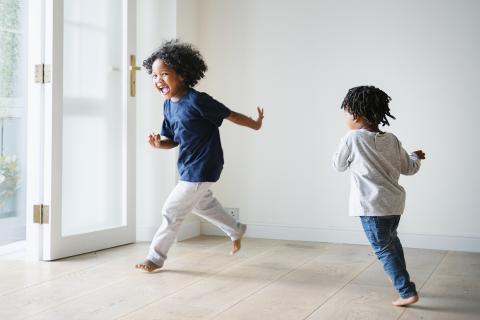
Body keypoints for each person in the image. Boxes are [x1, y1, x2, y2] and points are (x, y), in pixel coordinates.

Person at [135, 39, 264, 272]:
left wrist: (255, 124)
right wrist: (158, 144)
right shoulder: (168, 105)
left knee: (171, 211)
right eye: (154, 76)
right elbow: (173, 140)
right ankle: (235, 229)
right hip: (188, 167)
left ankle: (155, 258)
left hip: (204, 165)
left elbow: (230, 115)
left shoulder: (197, 100)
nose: (158, 80)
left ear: (183, 74)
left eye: (164, 74)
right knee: (202, 205)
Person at [333, 86, 425, 306]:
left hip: (371, 207)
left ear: (356, 115)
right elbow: (409, 168)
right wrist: (416, 156)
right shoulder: (392, 139)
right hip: (394, 205)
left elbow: (338, 165)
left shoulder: (352, 139)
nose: (345, 118)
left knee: (383, 250)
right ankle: (407, 285)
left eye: (345, 112)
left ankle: (406, 292)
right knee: (392, 244)